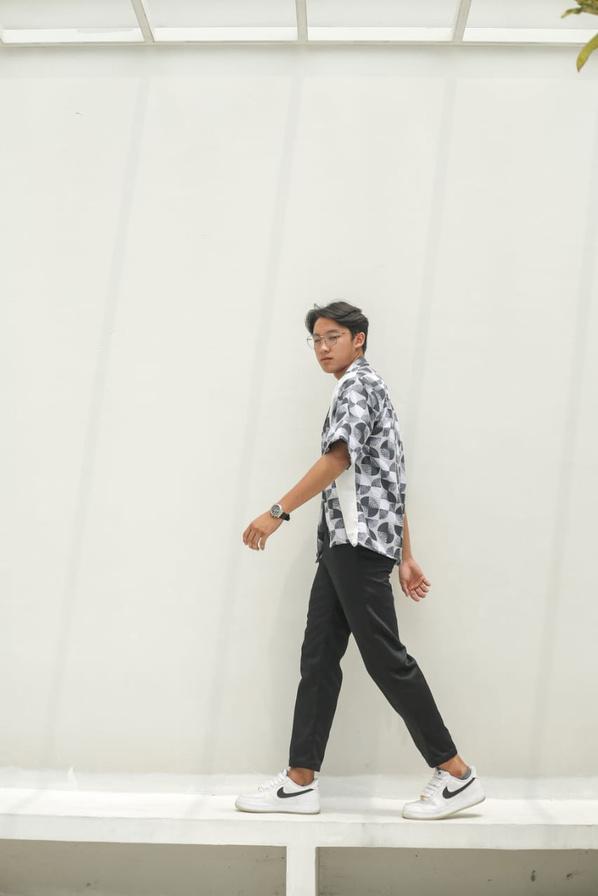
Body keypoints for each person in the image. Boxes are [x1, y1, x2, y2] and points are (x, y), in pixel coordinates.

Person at [236, 301, 485, 820]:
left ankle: (456, 774)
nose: (323, 347)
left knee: (385, 659)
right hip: (344, 545)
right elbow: (389, 476)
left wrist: (277, 512)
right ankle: (300, 781)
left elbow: (339, 458)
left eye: (333, 337)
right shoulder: (365, 388)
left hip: (356, 545)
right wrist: (405, 554)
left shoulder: (358, 386)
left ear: (359, 339)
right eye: (316, 340)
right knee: (319, 660)